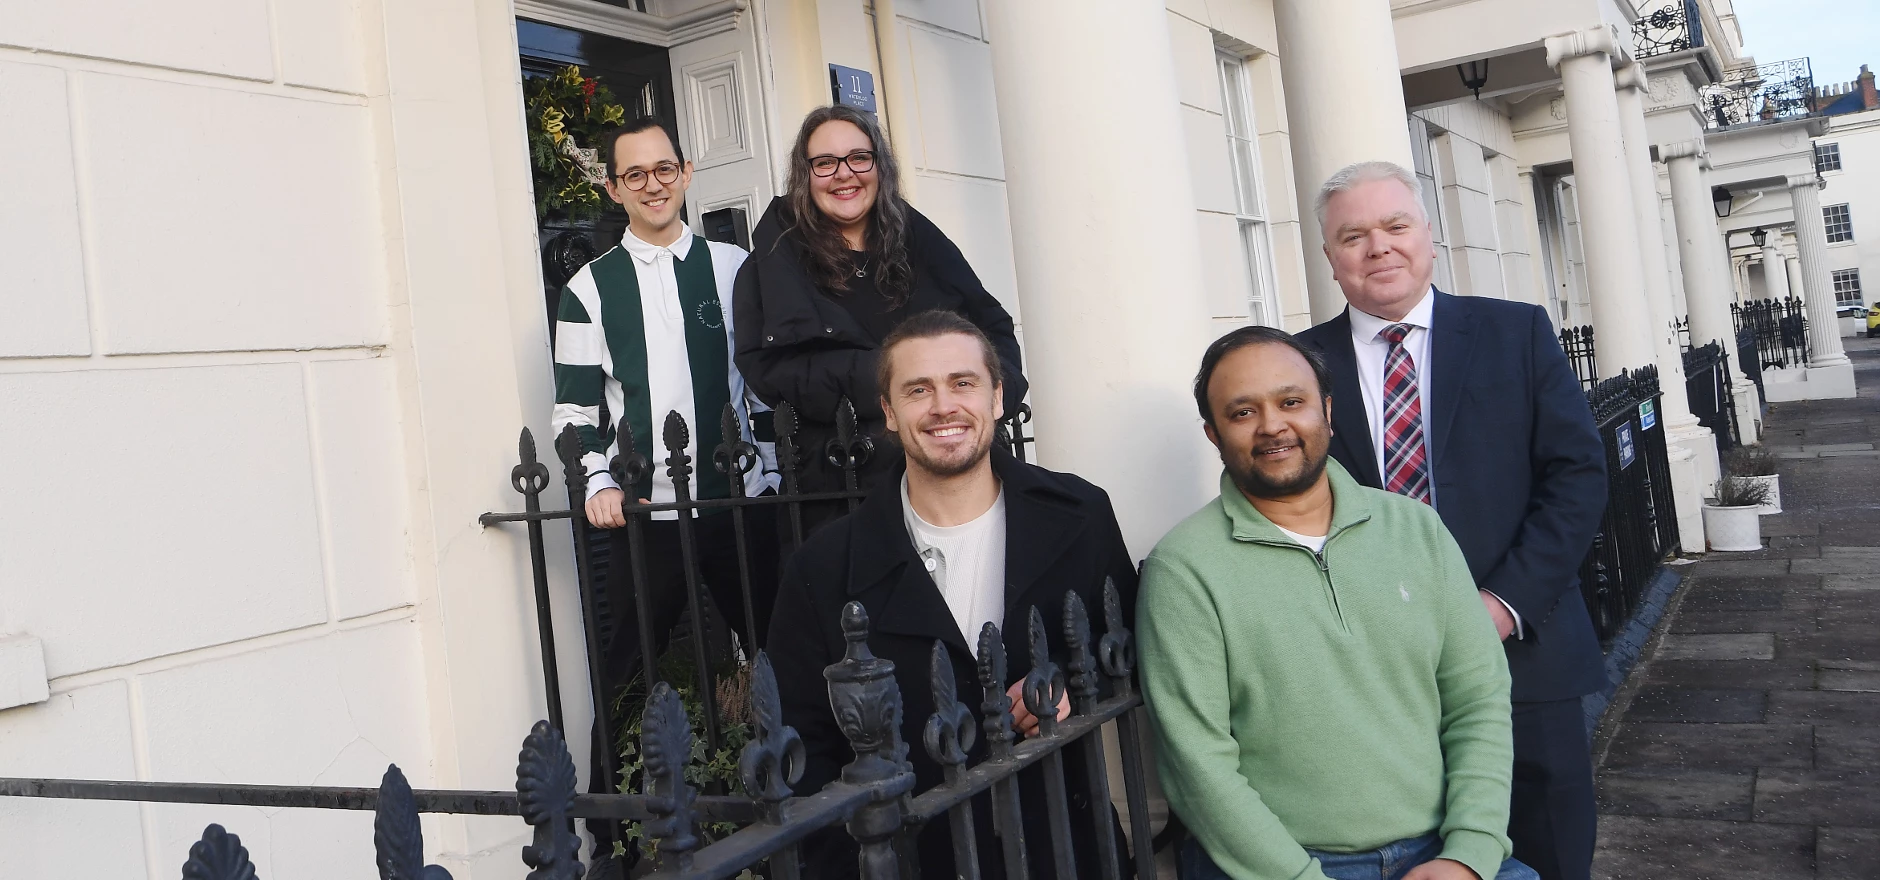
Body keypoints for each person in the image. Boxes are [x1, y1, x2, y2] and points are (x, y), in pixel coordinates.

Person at [1294, 161, 1608, 880]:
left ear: (1429, 237)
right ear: (1330, 259)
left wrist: (1500, 606)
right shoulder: (1299, 366)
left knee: (1549, 850)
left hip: (1522, 657)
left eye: (1395, 226)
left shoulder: (1515, 333)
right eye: (1353, 236)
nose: (1378, 248)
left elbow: (1577, 477)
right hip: (1373, 676)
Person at [1138, 325, 1536, 880]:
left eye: (1291, 401)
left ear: (1326, 409)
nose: (1273, 425)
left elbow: (1478, 699)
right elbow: (1197, 765)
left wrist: (1468, 853)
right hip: (1285, 867)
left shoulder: (1416, 530)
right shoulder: (1183, 569)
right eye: (1242, 412)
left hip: (1439, 852)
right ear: (1213, 433)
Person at [765, 310, 1135, 878]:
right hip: (918, 857)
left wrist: (1069, 684)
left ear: (997, 397)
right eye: (918, 390)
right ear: (888, 413)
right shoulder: (824, 567)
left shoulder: (1081, 516)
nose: (943, 407)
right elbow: (801, 747)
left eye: (963, 383)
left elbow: (1127, 650)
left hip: (1068, 845)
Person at [550, 118, 782, 855]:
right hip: (649, 510)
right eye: (635, 174)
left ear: (685, 172)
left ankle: (804, 805)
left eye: (664, 169)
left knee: (779, 651)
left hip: (740, 500)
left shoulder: (733, 266)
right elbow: (574, 410)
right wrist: (595, 479)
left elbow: (764, 387)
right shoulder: (589, 288)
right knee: (626, 673)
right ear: (613, 188)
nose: (653, 184)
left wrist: (773, 471)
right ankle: (604, 838)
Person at [733, 105, 1027, 532]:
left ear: (878, 165)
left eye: (858, 157)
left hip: (955, 476)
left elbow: (991, 328)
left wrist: (992, 397)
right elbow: (769, 367)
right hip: (845, 482)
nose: (844, 174)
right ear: (805, 174)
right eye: (825, 163)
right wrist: (896, 384)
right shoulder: (774, 261)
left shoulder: (916, 238)